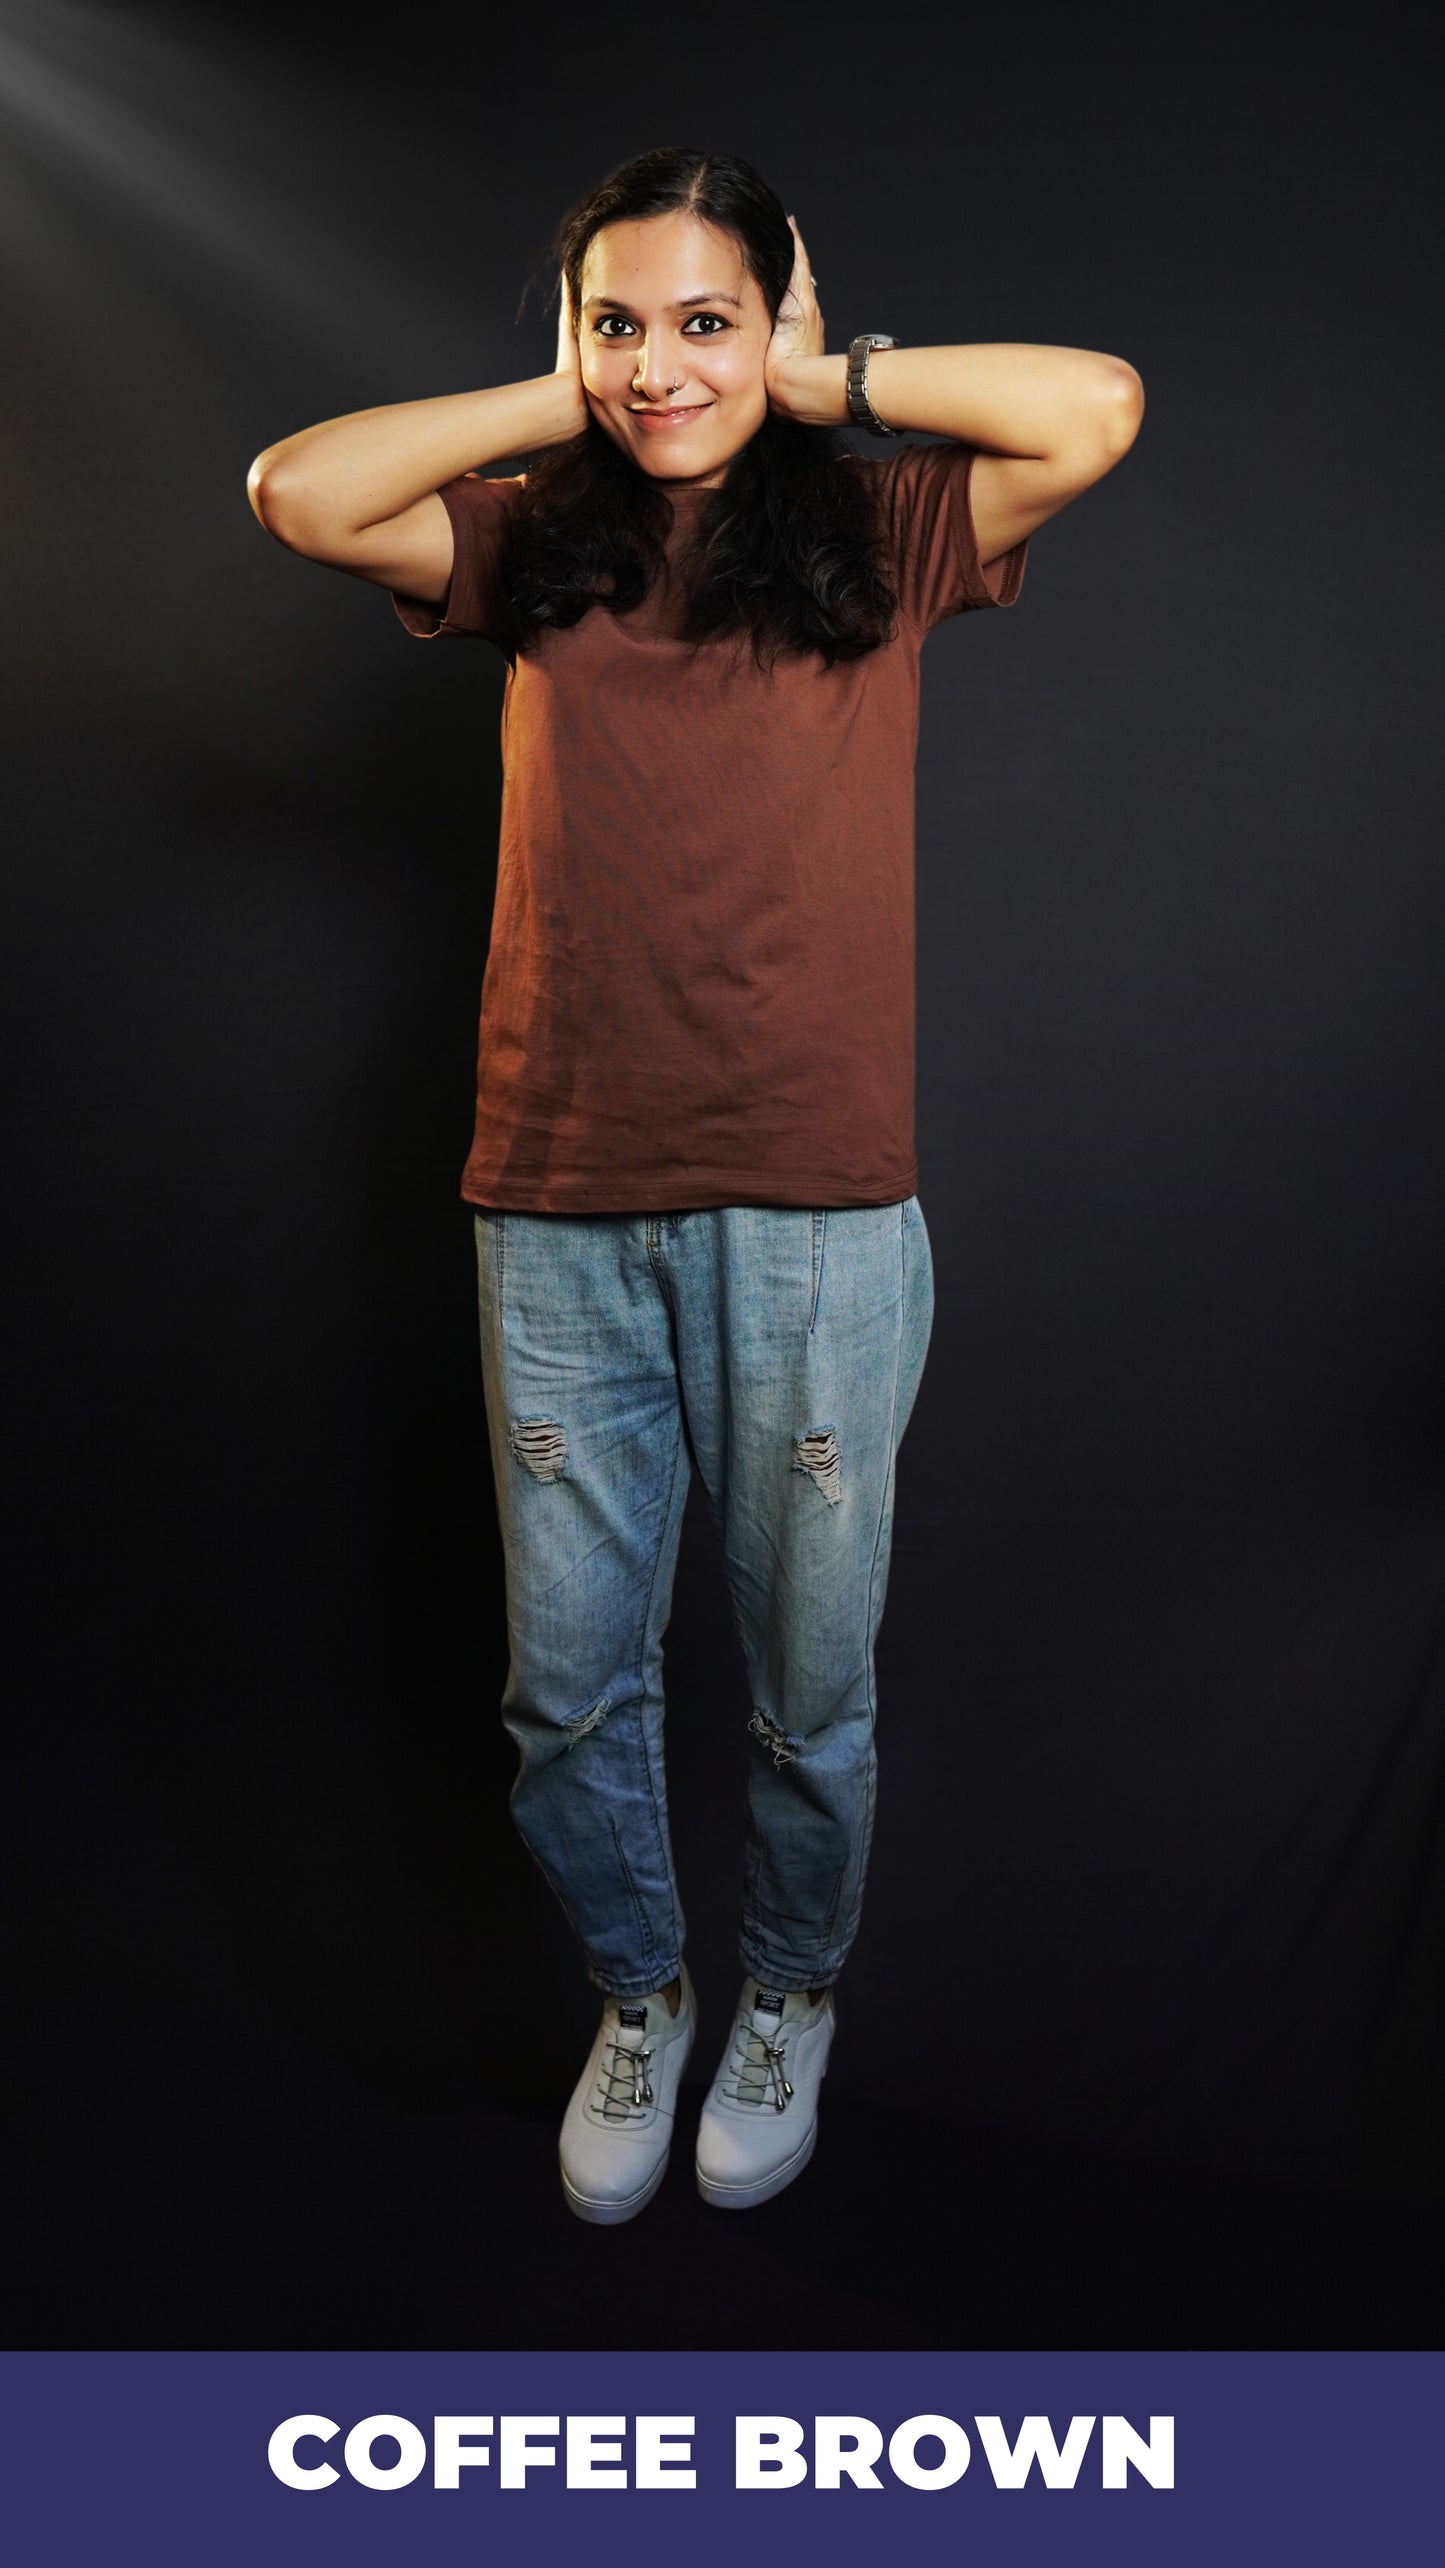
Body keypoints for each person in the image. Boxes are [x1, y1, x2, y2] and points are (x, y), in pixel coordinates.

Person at [247, 145, 1143, 2224]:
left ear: (784, 317)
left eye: (703, 319)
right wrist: (587, 401)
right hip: (556, 1203)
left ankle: (794, 1996)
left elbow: (1092, 405)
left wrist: (817, 389)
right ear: (570, 339)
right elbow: (301, 491)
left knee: (805, 1691)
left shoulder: (893, 525)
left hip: (818, 1213)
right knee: (566, 1691)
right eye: (619, 320)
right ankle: (640, 1991)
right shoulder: (525, 544)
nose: (665, 363)